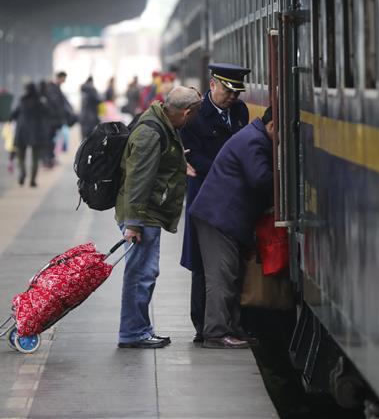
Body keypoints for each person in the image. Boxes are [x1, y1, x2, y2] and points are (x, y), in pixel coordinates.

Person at [116, 86, 202, 349]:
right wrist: (133, 223)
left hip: (146, 213)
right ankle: (133, 333)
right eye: (194, 115)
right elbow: (137, 180)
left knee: (144, 272)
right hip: (143, 214)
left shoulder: (161, 124)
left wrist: (177, 163)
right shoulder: (150, 133)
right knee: (140, 274)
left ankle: (139, 329)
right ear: (186, 113)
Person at [189, 106, 274, 349]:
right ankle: (215, 333)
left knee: (233, 276)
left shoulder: (253, 136)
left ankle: (233, 328)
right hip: (218, 217)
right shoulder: (254, 141)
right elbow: (260, 179)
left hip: (225, 217)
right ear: (273, 126)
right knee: (222, 276)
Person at [179, 62, 251, 343]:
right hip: (206, 197)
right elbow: (193, 158)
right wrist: (230, 171)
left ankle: (230, 324)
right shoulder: (195, 116)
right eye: (227, 91)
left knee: (229, 265)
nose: (232, 97)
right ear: (213, 85)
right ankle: (203, 326)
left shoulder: (240, 111)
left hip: (234, 199)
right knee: (202, 263)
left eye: (236, 93)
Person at [11, 83, 51, 187]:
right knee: (35, 158)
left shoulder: (22, 101)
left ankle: (23, 172)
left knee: (20, 156)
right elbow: (48, 112)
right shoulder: (39, 101)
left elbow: (13, 114)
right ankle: (32, 180)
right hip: (36, 133)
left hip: (22, 131)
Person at [79, 76, 100, 140]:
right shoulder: (92, 89)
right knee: (91, 139)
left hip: (83, 117)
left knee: (84, 139)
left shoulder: (83, 90)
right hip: (91, 118)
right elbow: (98, 100)